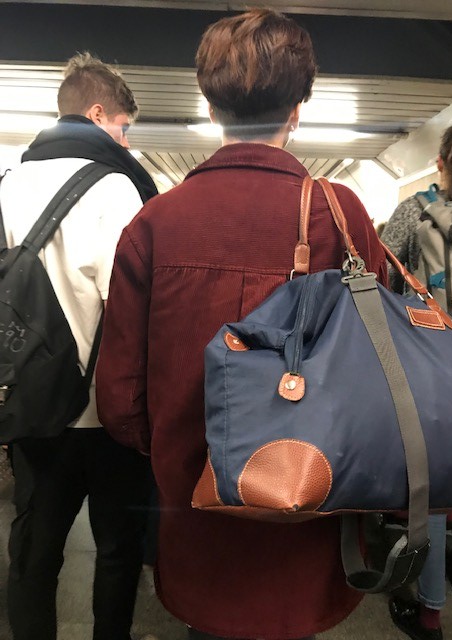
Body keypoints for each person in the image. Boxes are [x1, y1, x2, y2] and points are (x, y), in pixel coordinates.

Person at [96, 9, 388, 640]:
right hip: (313, 507)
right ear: (298, 110)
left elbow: (119, 399)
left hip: (198, 520)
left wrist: (179, 451)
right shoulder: (342, 216)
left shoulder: (156, 223)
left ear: (209, 107)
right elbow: (377, 363)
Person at [0, 52, 158, 640]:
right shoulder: (116, 187)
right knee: (117, 549)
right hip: (105, 413)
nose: (126, 140)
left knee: (35, 548)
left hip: (33, 407)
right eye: (123, 126)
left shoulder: (8, 183)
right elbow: (131, 306)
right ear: (96, 114)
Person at [383, 120, 452, 640]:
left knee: (436, 484)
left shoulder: (414, 211)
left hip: (434, 366)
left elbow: (379, 277)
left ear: (441, 162)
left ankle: (430, 613)